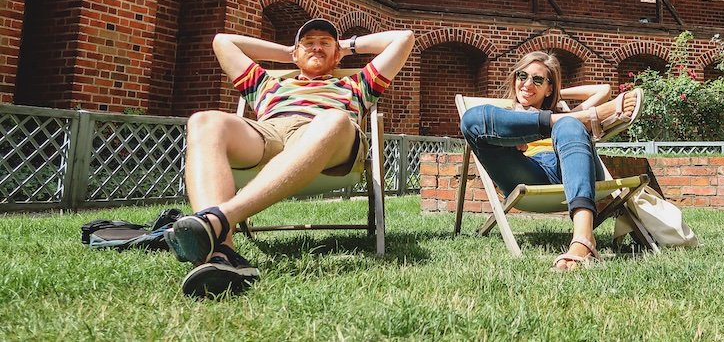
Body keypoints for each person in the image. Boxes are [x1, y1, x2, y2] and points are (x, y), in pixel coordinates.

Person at [165, 18, 414, 297]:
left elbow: (404, 38)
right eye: (308, 43)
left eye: (325, 44)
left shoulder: (356, 85)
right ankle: (223, 255)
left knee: (333, 119)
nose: (316, 47)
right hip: (270, 134)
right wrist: (289, 52)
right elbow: (223, 41)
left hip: (329, 138)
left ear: (337, 55)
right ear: (295, 54)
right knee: (204, 121)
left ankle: (216, 220)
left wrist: (346, 46)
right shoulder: (266, 86)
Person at [459, 51, 643, 271]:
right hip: (529, 173)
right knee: (472, 119)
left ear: (549, 88)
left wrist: (557, 93)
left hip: (572, 167)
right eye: (522, 76)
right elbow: (473, 124)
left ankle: (583, 239)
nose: (527, 84)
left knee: (568, 124)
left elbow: (603, 90)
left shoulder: (565, 112)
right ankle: (585, 119)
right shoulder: (502, 116)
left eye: (537, 80)